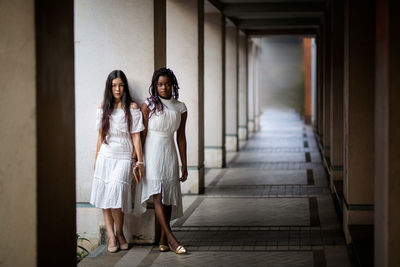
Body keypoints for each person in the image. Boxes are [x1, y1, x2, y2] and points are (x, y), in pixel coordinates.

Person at [134, 67, 188, 254]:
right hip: (152, 151)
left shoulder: (180, 107)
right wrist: (138, 159)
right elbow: (141, 135)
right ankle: (173, 240)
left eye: (166, 84)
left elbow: (181, 137)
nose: (163, 87)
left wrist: (185, 165)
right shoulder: (148, 105)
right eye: (159, 84)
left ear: (172, 85)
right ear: (155, 86)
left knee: (169, 194)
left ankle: (163, 240)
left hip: (170, 151)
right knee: (157, 194)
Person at [90, 70, 145, 253]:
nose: (117, 89)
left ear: (125, 87)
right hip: (106, 155)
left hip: (124, 156)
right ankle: (112, 235)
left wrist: (140, 161)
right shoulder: (103, 107)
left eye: (120, 85)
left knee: (115, 195)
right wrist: (96, 157)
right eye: (114, 85)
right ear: (109, 87)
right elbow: (100, 135)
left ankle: (120, 232)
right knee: (106, 196)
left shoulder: (132, 107)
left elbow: (136, 136)